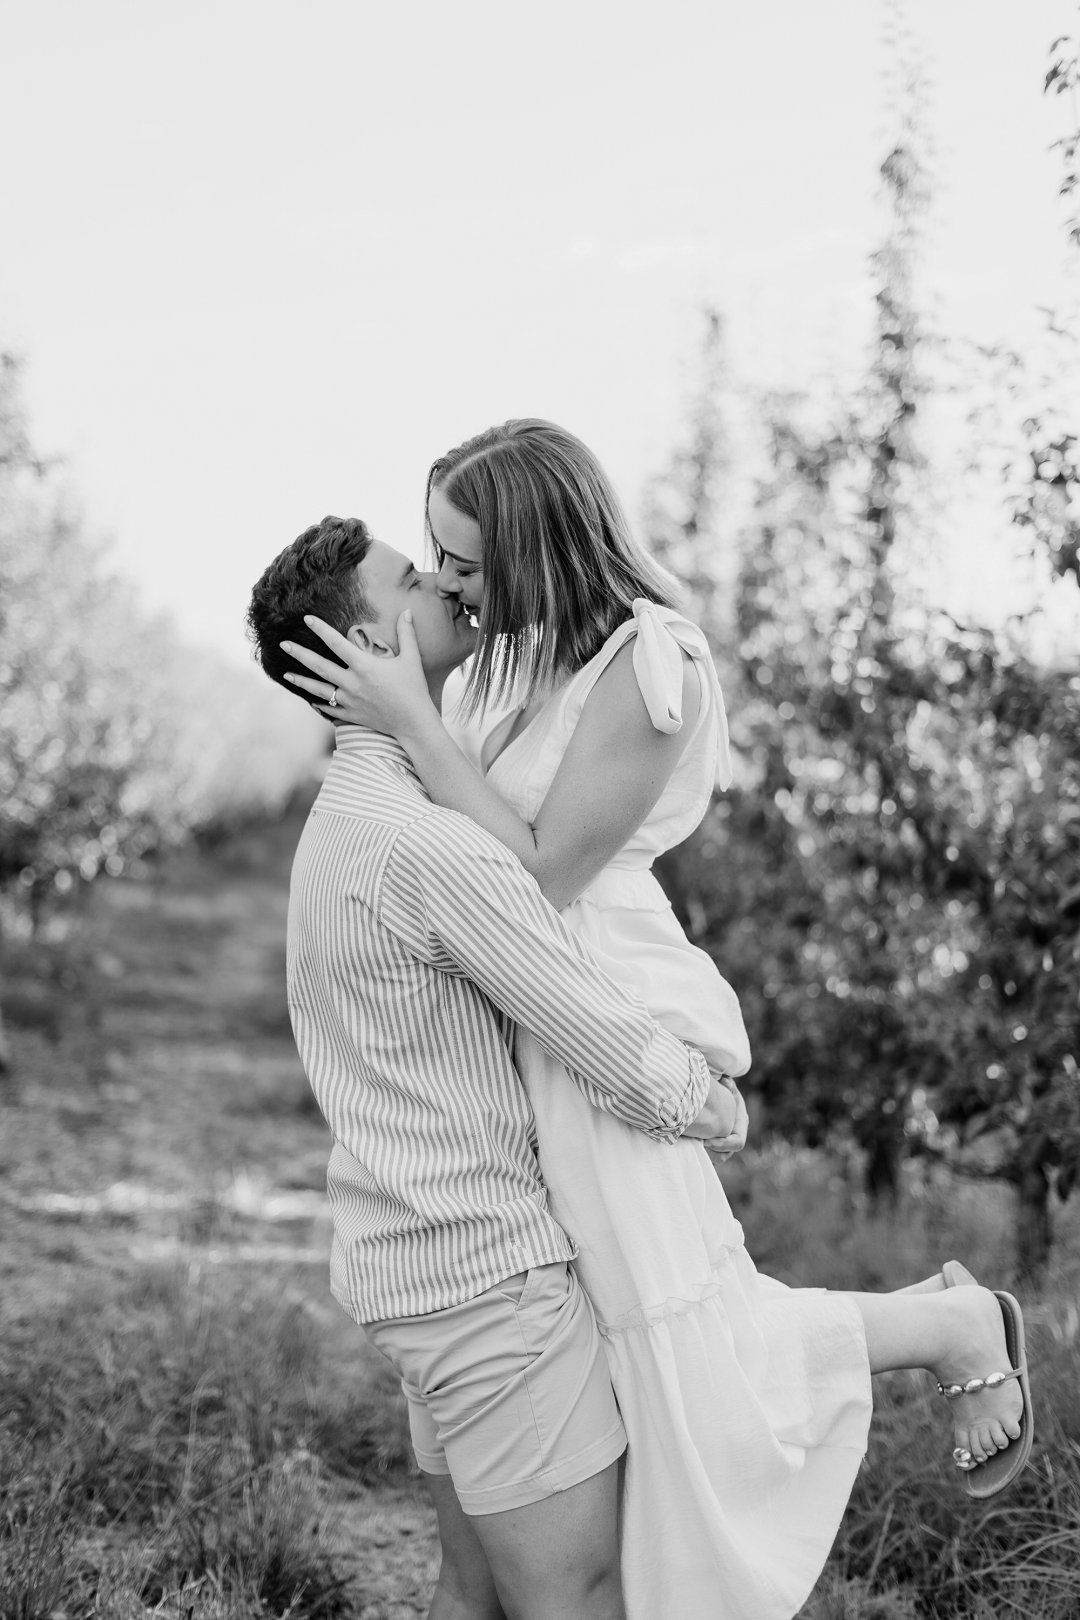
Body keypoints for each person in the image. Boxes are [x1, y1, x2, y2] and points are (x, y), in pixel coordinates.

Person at [282, 421, 1034, 1620]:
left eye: (466, 560)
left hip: (588, 997)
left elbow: (537, 874)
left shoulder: (649, 661)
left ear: (536, 546)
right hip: (529, 1016)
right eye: (435, 561)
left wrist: (412, 722)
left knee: (681, 1333)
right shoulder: (517, 658)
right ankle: (931, 1330)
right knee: (626, 1349)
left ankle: (952, 1328)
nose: (455, 584)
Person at [246, 514, 749, 1620]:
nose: (442, 584)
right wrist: (708, 1104)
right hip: (488, 1286)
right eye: (411, 579)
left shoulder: (345, 821)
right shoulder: (427, 843)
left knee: (471, 1595)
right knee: (576, 1596)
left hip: (413, 1261)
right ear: (365, 651)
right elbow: (582, 1017)